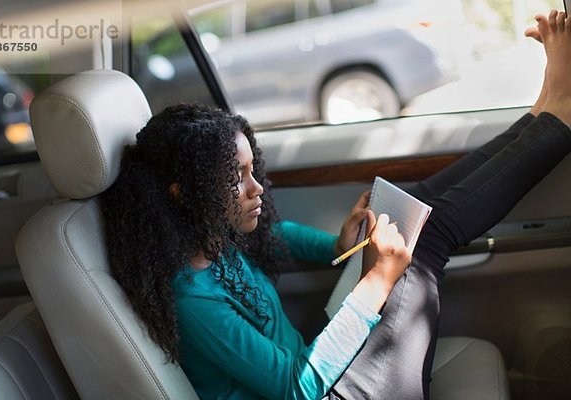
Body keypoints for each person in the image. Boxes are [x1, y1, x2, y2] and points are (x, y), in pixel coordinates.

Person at [100, 11, 571, 400]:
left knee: (416, 203)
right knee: (428, 240)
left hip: (332, 373)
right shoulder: (193, 300)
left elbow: (275, 237)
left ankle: (541, 116)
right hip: (323, 391)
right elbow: (296, 386)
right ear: (185, 194)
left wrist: (338, 246)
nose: (255, 188)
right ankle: (561, 119)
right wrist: (376, 280)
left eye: (250, 170)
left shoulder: (214, 238)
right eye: (233, 180)